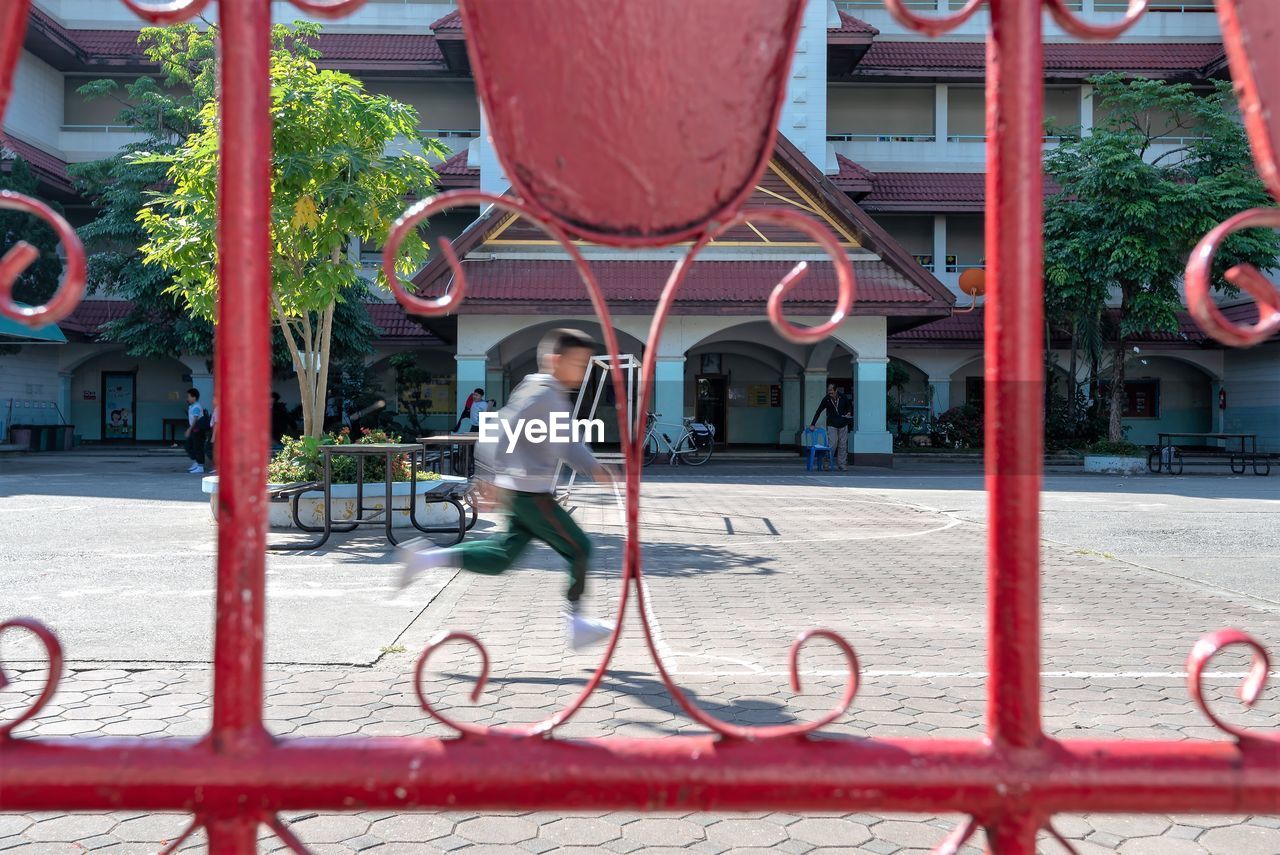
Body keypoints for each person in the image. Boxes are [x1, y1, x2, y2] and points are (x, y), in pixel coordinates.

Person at [399, 329, 614, 650]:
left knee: (501, 558)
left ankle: (426, 559)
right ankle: (576, 623)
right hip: (530, 494)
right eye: (577, 364)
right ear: (555, 361)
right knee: (580, 548)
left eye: (584, 365)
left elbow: (567, 444)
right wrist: (486, 475)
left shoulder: (552, 395)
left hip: (524, 492)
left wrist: (593, 468)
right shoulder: (541, 394)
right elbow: (499, 429)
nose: (581, 373)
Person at [810, 384, 853, 472]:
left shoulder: (843, 397)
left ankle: (842, 464)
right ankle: (827, 461)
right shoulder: (826, 399)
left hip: (843, 423)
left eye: (831, 391)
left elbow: (849, 406)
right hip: (832, 424)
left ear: (836, 390)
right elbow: (818, 411)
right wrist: (813, 424)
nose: (829, 392)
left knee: (843, 445)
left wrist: (848, 412)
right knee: (832, 444)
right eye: (828, 391)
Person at [184, 388, 210, 474]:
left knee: (198, 446)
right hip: (194, 429)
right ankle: (197, 462)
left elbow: (195, 419)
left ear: (194, 397)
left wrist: (189, 429)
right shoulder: (191, 406)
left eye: (188, 396)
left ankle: (200, 466)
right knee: (190, 445)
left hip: (197, 430)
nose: (187, 398)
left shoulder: (196, 407)